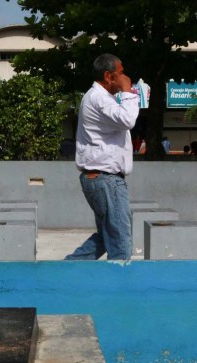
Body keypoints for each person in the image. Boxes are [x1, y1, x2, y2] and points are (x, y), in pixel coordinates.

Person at [65, 53, 139, 260]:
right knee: (120, 240)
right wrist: (128, 91)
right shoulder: (98, 98)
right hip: (106, 179)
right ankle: (120, 288)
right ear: (109, 76)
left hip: (102, 179)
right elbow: (127, 119)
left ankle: (67, 270)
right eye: (121, 73)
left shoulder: (100, 98)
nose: (125, 77)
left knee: (107, 238)